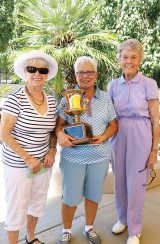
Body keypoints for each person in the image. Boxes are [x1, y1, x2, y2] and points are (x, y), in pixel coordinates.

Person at [55, 56, 118, 244]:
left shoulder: (105, 98)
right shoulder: (67, 97)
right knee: (70, 197)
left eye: (89, 72)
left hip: (99, 157)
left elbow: (113, 124)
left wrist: (104, 136)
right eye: (81, 72)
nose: (85, 76)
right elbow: (59, 126)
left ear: (96, 75)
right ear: (76, 75)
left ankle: (89, 227)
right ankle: (66, 230)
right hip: (73, 157)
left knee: (93, 195)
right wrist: (61, 136)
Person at [1, 50, 58, 244]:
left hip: (42, 163)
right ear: (25, 72)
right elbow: (4, 134)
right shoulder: (15, 99)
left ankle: (31, 238)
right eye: (32, 69)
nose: (37, 74)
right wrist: (28, 158)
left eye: (42, 70)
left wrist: (52, 150)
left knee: (37, 201)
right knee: (16, 207)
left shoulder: (51, 100)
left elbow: (52, 131)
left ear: (47, 75)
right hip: (18, 164)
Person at [108, 39, 159, 244]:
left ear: (140, 60)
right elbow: (108, 117)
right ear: (119, 59)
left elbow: (156, 119)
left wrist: (154, 149)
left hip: (141, 134)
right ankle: (123, 219)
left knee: (136, 183)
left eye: (133, 57)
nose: (128, 61)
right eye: (125, 57)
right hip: (118, 135)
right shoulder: (113, 85)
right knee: (120, 180)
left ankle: (135, 229)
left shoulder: (149, 84)